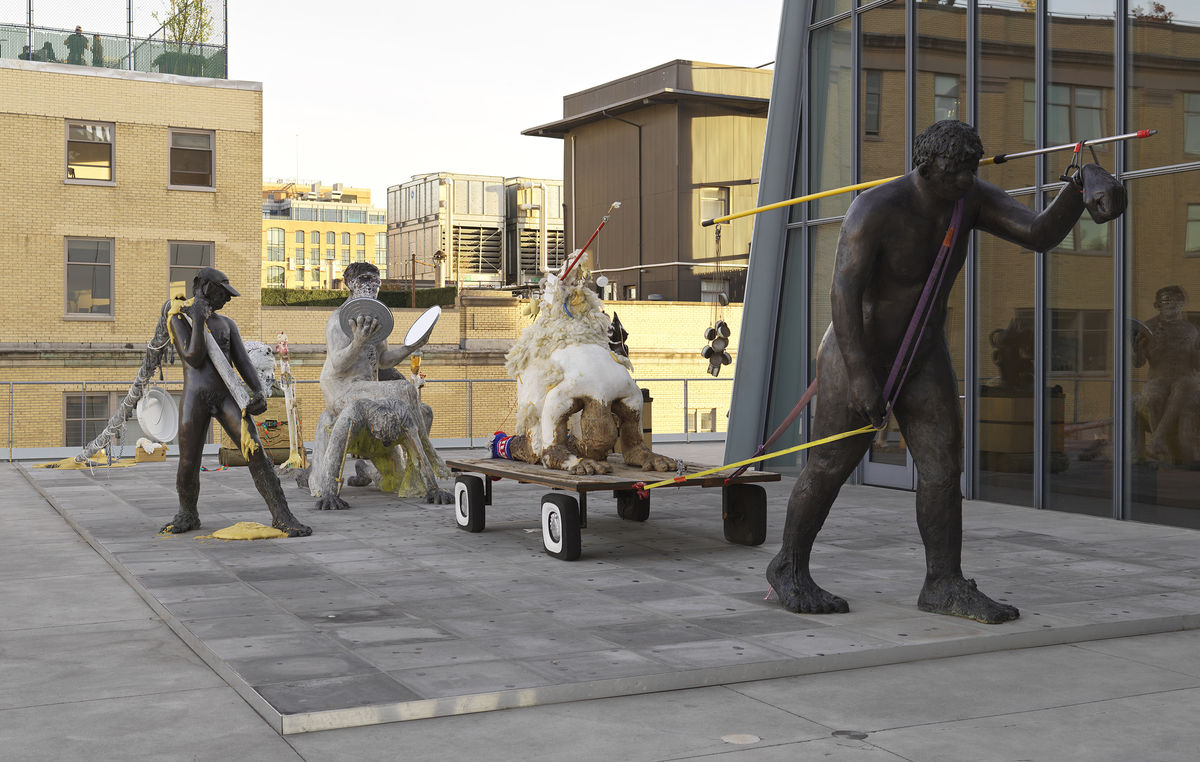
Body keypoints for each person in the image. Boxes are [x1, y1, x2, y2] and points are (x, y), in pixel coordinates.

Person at [766, 120, 1124, 624]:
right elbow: (842, 295)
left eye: (969, 172)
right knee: (829, 465)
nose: (964, 182)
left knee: (941, 469)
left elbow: (1038, 234)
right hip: (858, 352)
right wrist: (862, 377)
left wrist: (1082, 184)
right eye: (955, 174)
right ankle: (789, 566)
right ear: (927, 167)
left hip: (922, 354)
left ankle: (943, 582)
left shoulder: (969, 197)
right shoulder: (876, 208)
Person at [161, 267, 311, 537]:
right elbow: (193, 357)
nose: (227, 300)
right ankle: (187, 512)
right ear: (205, 287)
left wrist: (258, 392)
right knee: (188, 460)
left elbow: (242, 361)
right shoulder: (179, 319)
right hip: (195, 398)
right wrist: (197, 318)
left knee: (256, 453)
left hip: (227, 396)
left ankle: (282, 515)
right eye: (223, 293)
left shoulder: (227, 324)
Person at [1133, 285, 1200, 464]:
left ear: (1182, 304)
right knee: (1154, 397)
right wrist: (1137, 347)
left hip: (1187, 380)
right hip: (1158, 379)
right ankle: (1161, 447)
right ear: (1157, 305)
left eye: (1177, 300)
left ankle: (1157, 440)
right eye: (1166, 300)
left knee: (1184, 384)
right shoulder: (1148, 327)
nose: (1171, 303)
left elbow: (1197, 365)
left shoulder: (1191, 329)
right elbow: (1137, 363)